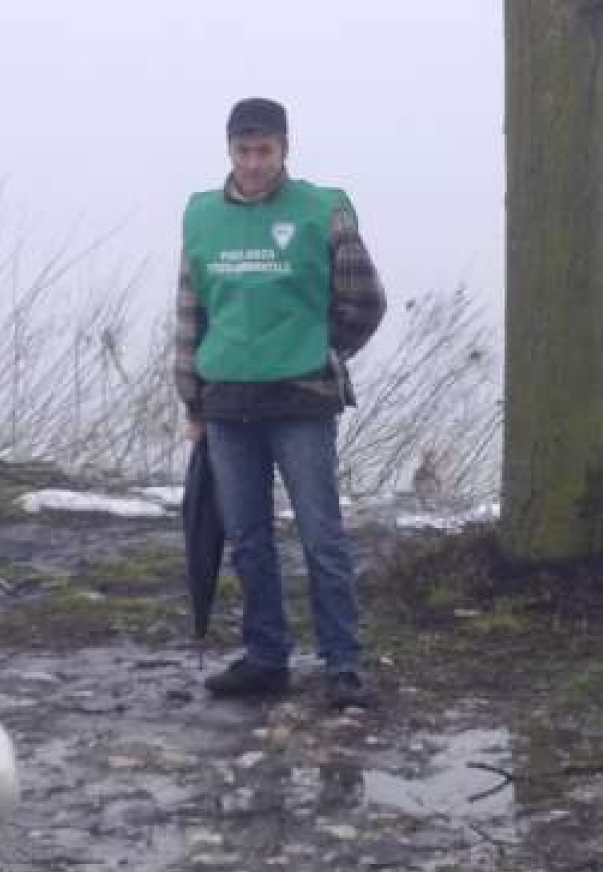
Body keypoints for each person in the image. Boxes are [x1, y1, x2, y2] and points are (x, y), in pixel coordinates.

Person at [174, 97, 387, 710]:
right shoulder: (202, 218)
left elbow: (364, 298)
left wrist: (324, 351)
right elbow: (191, 312)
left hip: (302, 402)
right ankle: (266, 657)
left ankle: (342, 665)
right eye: (244, 151)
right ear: (229, 151)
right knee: (246, 538)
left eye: (265, 150)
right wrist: (192, 399)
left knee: (322, 535)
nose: (254, 163)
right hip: (226, 405)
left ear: (285, 149)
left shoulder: (324, 210)